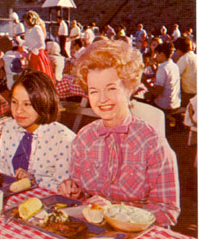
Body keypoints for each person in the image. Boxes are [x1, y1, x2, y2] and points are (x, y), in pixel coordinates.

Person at [58, 40, 180, 227]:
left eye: (111, 88)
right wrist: (76, 192)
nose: (102, 99)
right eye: (94, 91)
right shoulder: (83, 138)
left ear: (129, 87)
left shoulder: (153, 143)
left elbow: (168, 211)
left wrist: (115, 210)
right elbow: (84, 196)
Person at [0, 69, 75, 192]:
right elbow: (4, 169)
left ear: (44, 102)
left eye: (27, 104)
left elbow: (65, 189)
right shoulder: (9, 128)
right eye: (14, 102)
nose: (18, 111)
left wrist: (33, 180)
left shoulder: (63, 138)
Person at [17, 10, 55, 84]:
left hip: (38, 55)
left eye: (25, 20)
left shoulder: (37, 28)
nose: (24, 23)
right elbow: (27, 43)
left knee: (38, 77)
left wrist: (31, 52)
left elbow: (41, 43)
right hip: (33, 56)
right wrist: (18, 39)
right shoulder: (29, 30)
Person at [144, 42, 181, 112]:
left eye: (157, 55)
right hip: (175, 103)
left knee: (146, 97)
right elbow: (163, 76)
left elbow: (156, 93)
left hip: (164, 105)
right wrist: (152, 67)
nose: (155, 57)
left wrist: (144, 82)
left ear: (162, 54)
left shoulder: (163, 68)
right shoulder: (174, 65)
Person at [174, 37, 197, 106]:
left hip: (189, 95)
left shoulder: (184, 59)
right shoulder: (195, 57)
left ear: (179, 50)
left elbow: (174, 75)